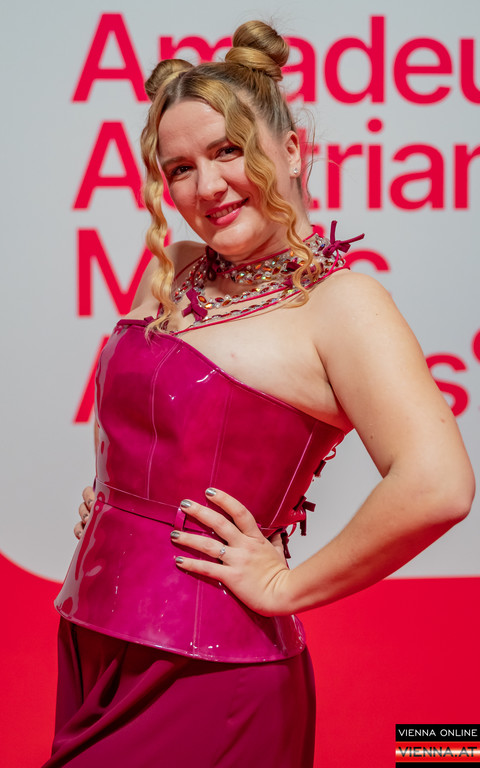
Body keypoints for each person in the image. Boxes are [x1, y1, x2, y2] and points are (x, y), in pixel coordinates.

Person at [45, 20, 474, 768]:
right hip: (92, 639)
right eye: (180, 168)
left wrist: (285, 586)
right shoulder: (178, 268)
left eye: (228, 151)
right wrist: (118, 501)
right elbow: (147, 416)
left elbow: (438, 485)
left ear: (295, 150)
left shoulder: (342, 304)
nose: (206, 187)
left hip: (208, 672)